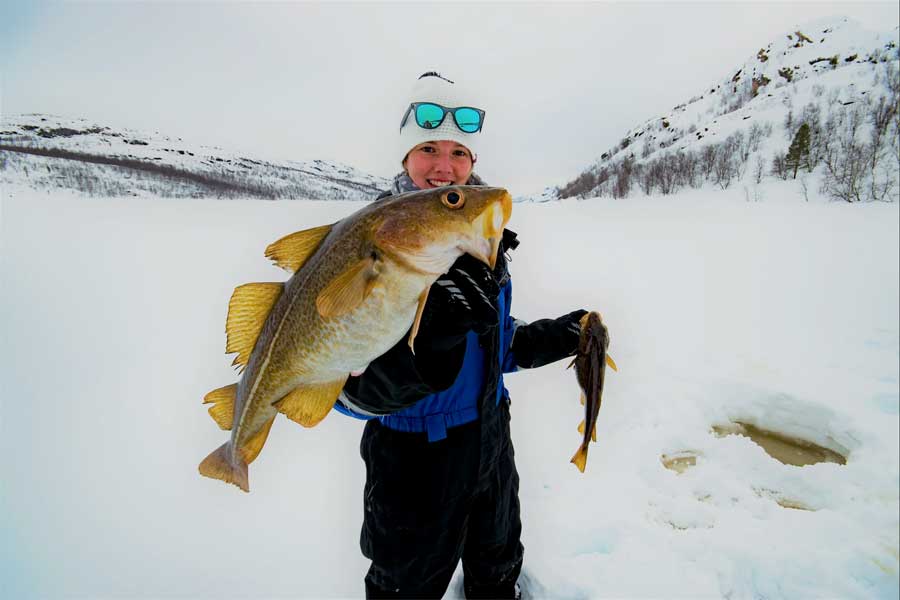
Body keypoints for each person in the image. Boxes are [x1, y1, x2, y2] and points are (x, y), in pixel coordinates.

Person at [335, 71, 587, 599]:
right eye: (428, 148)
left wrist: (555, 338)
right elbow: (344, 391)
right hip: (413, 457)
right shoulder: (367, 245)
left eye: (459, 152)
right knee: (405, 583)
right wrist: (423, 357)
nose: (444, 166)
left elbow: (493, 341)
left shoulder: (481, 236)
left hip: (491, 436)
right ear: (404, 157)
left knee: (497, 559)